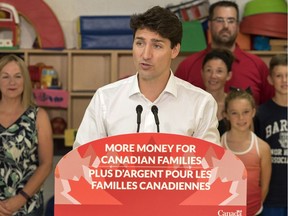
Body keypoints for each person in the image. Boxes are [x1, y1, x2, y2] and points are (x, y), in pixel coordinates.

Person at [73, 6, 220, 148]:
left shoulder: (201, 103)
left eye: (157, 46)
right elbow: (82, 161)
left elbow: (210, 166)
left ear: (174, 50)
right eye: (140, 43)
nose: (146, 55)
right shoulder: (105, 99)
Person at [175, 0, 274, 105]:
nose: (226, 26)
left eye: (231, 21)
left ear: (237, 26)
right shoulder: (187, 66)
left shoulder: (258, 66)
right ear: (209, 24)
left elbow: (271, 109)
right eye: (219, 20)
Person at [0, 54, 53, 215]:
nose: (12, 82)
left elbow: (46, 164)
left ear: (25, 81)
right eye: (5, 76)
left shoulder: (39, 116)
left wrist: (20, 199)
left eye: (17, 76)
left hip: (28, 205)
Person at [221, 89, 271, 216]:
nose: (241, 118)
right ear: (225, 114)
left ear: (253, 112)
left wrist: (253, 209)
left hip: (254, 212)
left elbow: (264, 186)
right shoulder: (218, 144)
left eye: (245, 112)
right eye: (234, 113)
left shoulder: (262, 148)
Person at [254, 54, 287, 216]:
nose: (284, 80)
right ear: (270, 79)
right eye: (279, 76)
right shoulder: (261, 113)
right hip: (271, 196)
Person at [201, 48, 234, 135]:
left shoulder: (235, 104)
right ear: (202, 73)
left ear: (229, 75)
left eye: (219, 71)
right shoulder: (193, 103)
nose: (213, 76)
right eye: (209, 70)